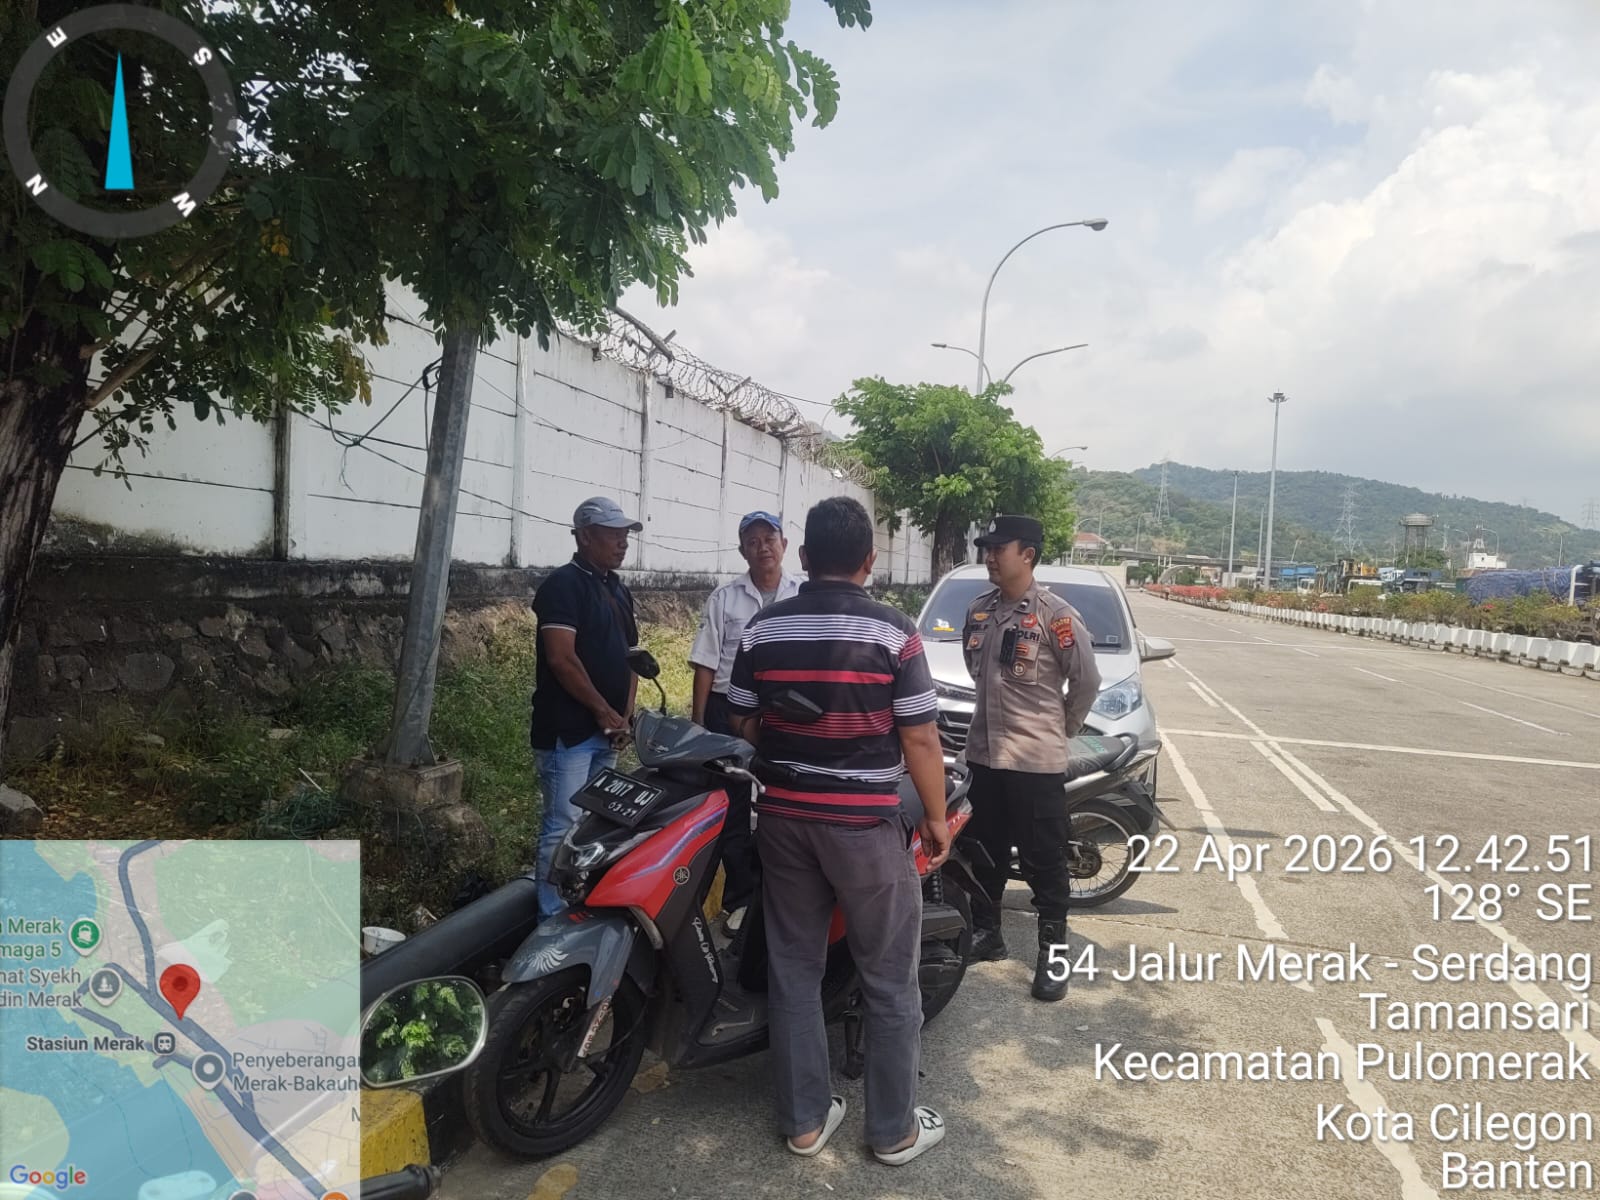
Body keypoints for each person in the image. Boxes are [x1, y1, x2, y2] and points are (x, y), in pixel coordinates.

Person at [727, 496, 951, 1166]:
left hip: (784, 820)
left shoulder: (763, 629)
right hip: (865, 828)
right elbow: (920, 737)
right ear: (869, 561)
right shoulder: (894, 632)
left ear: (802, 557)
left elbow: (742, 721)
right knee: (890, 978)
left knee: (795, 969)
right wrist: (936, 817)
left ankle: (804, 1121)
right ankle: (893, 1132)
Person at [961, 513, 1101, 1002]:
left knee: (1045, 862)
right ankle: (988, 933)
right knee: (984, 852)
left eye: (999, 549)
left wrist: (1060, 729)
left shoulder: (1054, 615)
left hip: (1034, 762)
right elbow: (977, 671)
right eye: (987, 549)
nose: (990, 557)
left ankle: (1053, 955)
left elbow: (1086, 681)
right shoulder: (978, 611)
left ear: (1028, 555)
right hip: (984, 756)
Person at [529, 496, 643, 918]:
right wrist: (601, 711)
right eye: (613, 534)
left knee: (595, 823)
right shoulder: (562, 586)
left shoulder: (617, 589)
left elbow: (633, 656)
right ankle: (550, 915)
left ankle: (581, 901)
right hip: (570, 731)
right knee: (562, 823)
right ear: (584, 536)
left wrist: (624, 715)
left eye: (625, 534)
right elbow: (562, 659)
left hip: (607, 731)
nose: (623, 543)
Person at [688, 510, 802, 930]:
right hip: (727, 712)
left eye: (769, 539)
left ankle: (781, 892)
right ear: (742, 551)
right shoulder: (725, 598)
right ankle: (739, 897)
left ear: (784, 545)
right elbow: (705, 662)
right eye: (752, 541)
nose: (762, 547)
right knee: (732, 805)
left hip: (784, 712)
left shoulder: (803, 593)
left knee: (782, 801)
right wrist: (699, 725)